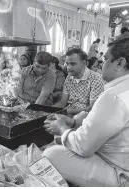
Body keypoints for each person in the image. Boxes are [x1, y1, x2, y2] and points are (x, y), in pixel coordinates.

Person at [43, 34, 129, 187]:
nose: (102, 64)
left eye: (106, 59)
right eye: (66, 63)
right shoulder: (121, 90)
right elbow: (101, 120)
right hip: (115, 153)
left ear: (120, 63)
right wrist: (74, 121)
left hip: (121, 174)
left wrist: (62, 128)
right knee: (60, 140)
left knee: (51, 154)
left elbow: (84, 146)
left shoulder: (114, 95)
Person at [53, 48, 104, 115]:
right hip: (68, 114)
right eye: (67, 64)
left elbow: (92, 108)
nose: (68, 67)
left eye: (73, 64)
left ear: (84, 63)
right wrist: (49, 110)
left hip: (85, 118)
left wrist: (66, 112)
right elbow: (63, 102)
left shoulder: (96, 78)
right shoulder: (69, 77)